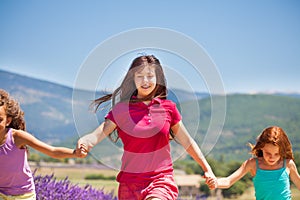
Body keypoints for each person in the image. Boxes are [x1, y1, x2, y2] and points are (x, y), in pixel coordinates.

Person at [76, 54, 216, 200]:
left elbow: (188, 142)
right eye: (139, 76)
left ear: (158, 79)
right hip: (129, 185)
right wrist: (85, 142)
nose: (145, 81)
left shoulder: (169, 108)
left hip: (161, 180)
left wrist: (208, 169)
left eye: (150, 76)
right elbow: (97, 134)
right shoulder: (122, 110)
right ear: (133, 79)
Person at [0, 89, 82, 200]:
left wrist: (75, 153)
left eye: (0, 119)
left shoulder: (17, 137)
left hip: (23, 195)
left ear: (8, 121)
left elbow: (52, 151)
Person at [215, 126, 300, 200]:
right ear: (261, 147)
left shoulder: (288, 164)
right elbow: (228, 181)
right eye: (268, 153)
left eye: (277, 154)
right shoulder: (253, 164)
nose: (272, 157)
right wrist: (215, 182)